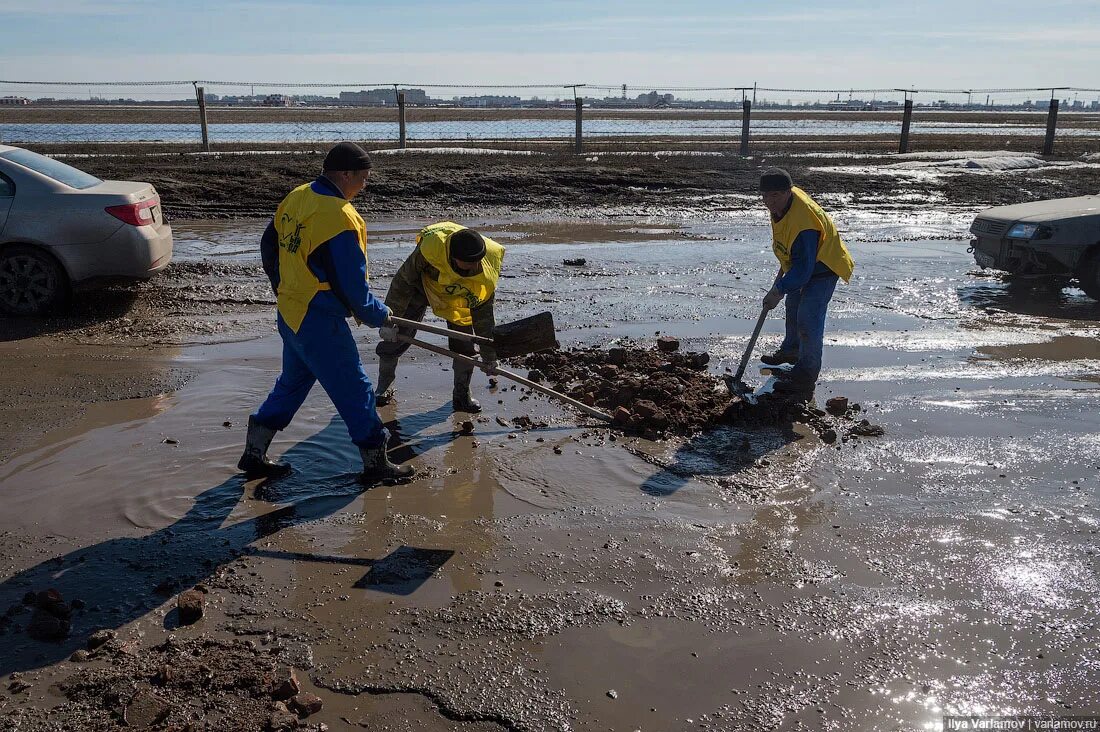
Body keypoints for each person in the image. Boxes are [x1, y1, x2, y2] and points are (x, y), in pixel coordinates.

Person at [237, 141, 413, 483]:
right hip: (318, 320)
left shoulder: (298, 195)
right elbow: (352, 285)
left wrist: (282, 285)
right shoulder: (341, 217)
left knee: (292, 383)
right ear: (345, 174)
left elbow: (269, 243)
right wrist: (379, 315)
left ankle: (254, 453)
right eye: (362, 178)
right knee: (355, 388)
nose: (364, 186)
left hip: (290, 311)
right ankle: (377, 464)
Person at [375, 222, 504, 413]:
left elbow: (484, 318)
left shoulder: (485, 273)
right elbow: (403, 282)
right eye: (469, 263)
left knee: (465, 345)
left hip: (459, 296)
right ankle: (384, 387)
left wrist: (489, 356)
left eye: (478, 262)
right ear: (453, 258)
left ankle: (462, 395)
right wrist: (389, 320)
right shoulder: (431, 250)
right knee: (396, 335)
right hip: (422, 289)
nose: (475, 267)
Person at [758, 168, 854, 399]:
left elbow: (804, 269)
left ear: (788, 192)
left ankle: (805, 376)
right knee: (793, 308)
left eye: (775, 196)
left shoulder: (804, 223)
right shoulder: (784, 206)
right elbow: (792, 249)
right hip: (803, 262)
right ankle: (791, 351)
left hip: (824, 267)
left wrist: (778, 290)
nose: (770, 202)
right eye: (765, 196)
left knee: (808, 319)